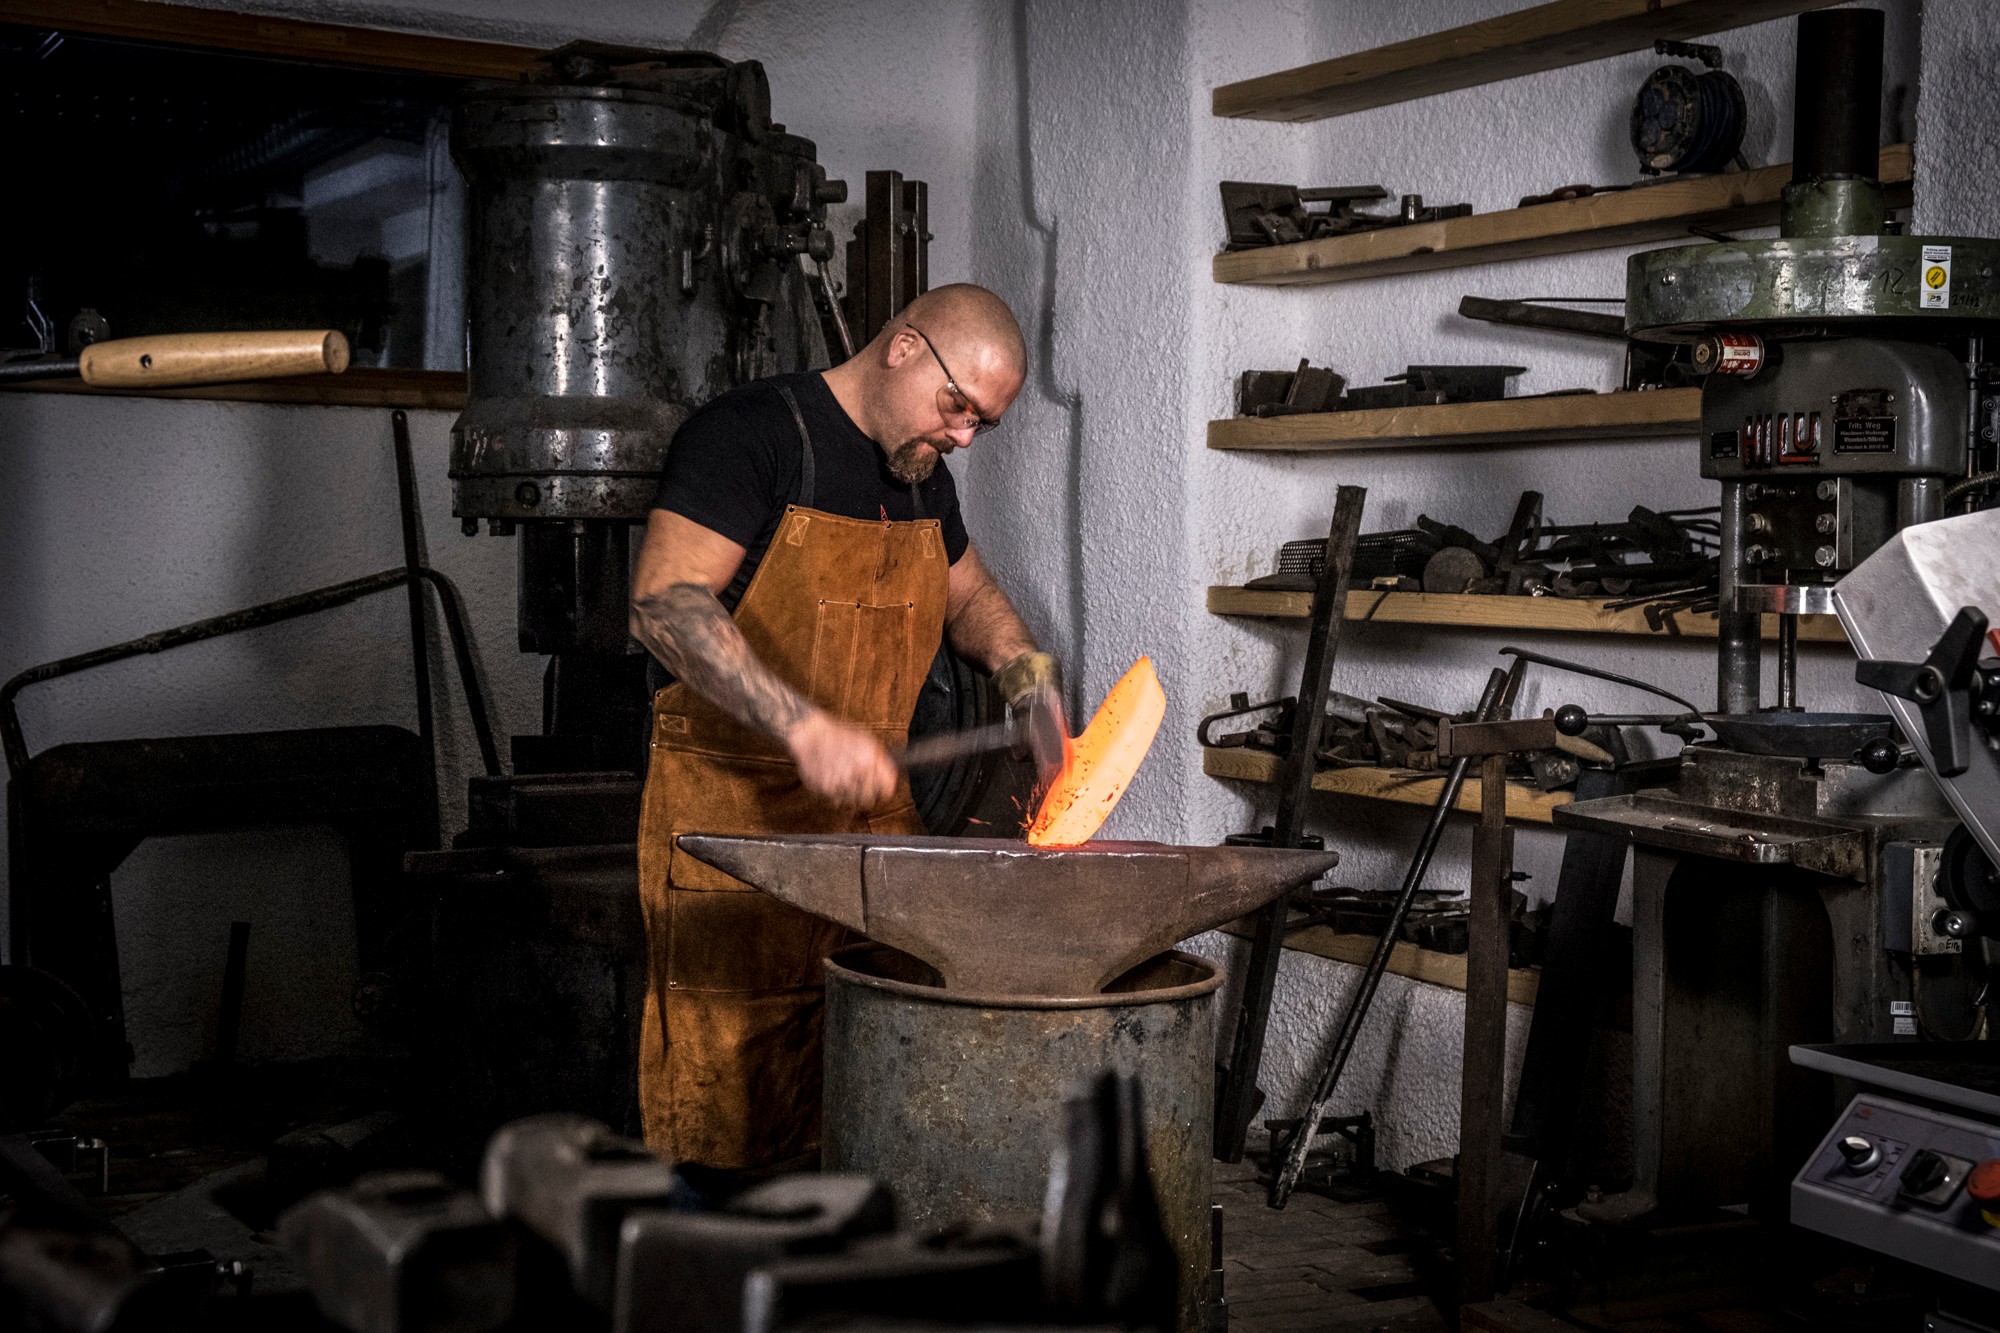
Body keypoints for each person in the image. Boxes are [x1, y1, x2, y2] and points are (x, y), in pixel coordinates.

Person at [627, 282, 1059, 1170]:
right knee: (724, 1127)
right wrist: (800, 727)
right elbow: (665, 603)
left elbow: (966, 593)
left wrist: (1025, 674)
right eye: (958, 406)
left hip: (871, 843)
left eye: (984, 424)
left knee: (875, 1098)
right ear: (903, 346)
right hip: (736, 838)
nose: (963, 437)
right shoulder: (748, 435)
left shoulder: (921, 481)